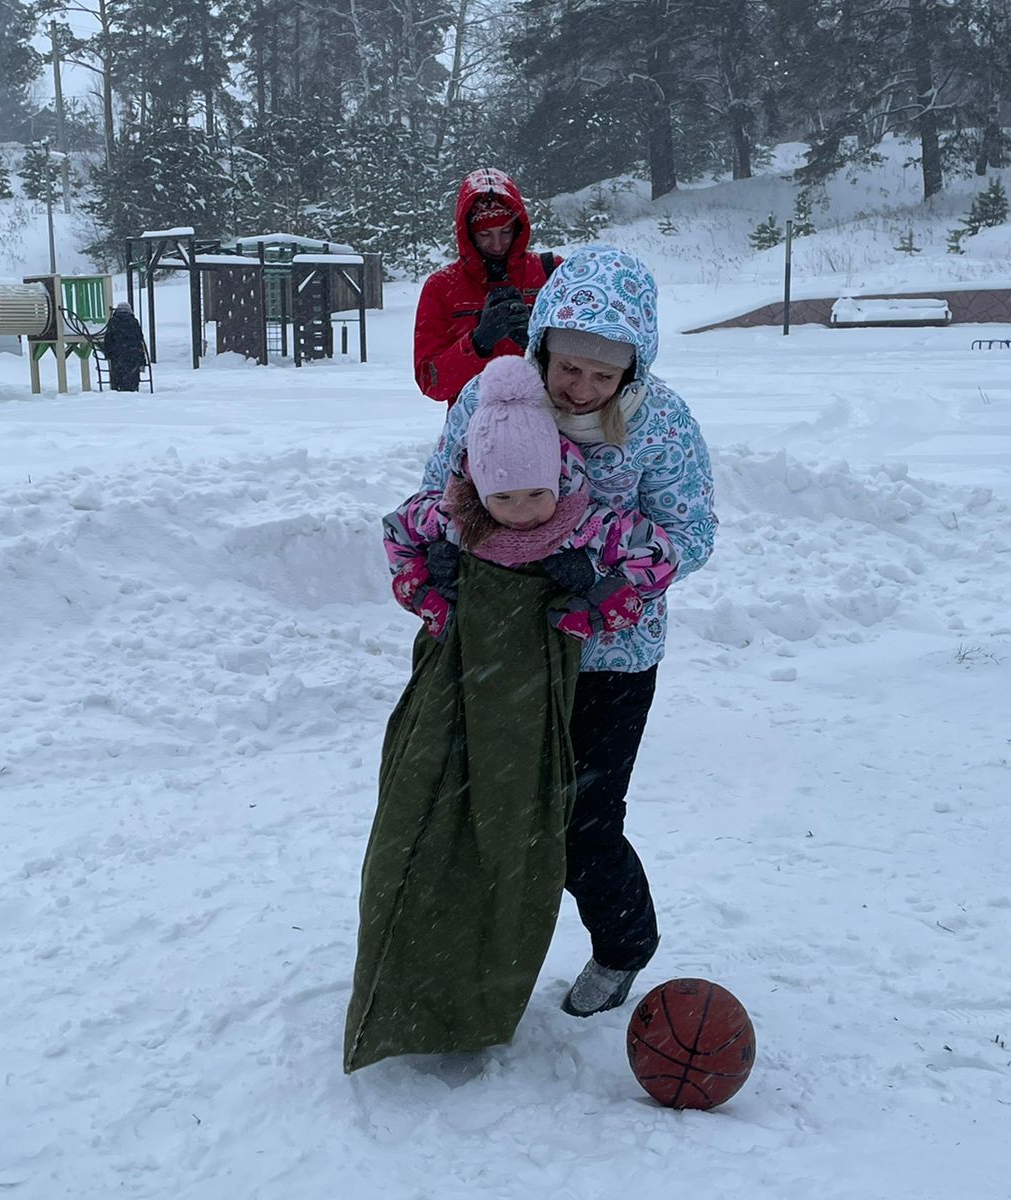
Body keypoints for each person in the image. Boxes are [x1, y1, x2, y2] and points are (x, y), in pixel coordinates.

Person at [344, 356, 678, 1072]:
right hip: (468, 683)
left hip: (568, 685)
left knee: (555, 830)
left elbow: (662, 555)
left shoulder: (585, 518)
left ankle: (604, 949)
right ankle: (423, 981)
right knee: (432, 815)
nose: (525, 512)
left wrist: (599, 604)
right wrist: (430, 594)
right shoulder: (454, 510)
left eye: (537, 495)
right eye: (506, 498)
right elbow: (398, 534)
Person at [418, 245, 717, 1020]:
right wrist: (442, 556)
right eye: (569, 367)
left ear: (631, 371)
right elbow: (438, 494)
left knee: (582, 823)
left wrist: (612, 570)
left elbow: (693, 530)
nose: (582, 388)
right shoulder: (490, 402)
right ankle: (476, 956)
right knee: (496, 811)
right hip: (506, 648)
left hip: (613, 658)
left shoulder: (664, 424)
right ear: (543, 344)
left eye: (603, 374)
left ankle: (624, 944)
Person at [413, 168, 562, 406]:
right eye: (485, 234)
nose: (497, 245)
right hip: (474, 431)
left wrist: (537, 343)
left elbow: (583, 360)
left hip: (547, 425)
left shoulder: (551, 272)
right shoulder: (441, 286)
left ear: (519, 227)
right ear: (468, 234)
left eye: (506, 231)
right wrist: (478, 342)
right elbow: (430, 382)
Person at [102, 301, 148, 392]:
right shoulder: (134, 322)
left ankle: (118, 386)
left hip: (118, 354)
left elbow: (108, 339)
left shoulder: (113, 322)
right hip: (133, 355)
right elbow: (139, 338)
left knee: (118, 371)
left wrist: (108, 353)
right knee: (132, 374)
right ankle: (132, 386)